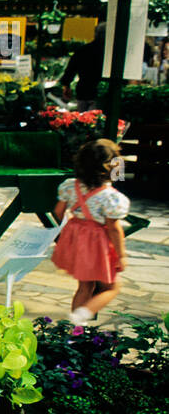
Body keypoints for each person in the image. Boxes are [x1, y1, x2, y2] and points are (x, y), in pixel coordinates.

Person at [50, 138, 129, 325]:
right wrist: (121, 255)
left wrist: (70, 231)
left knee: (85, 285)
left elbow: (58, 211)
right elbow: (113, 229)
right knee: (112, 287)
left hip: (76, 237)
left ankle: (76, 328)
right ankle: (82, 315)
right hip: (96, 243)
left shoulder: (70, 186)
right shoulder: (111, 198)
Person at [58, 24, 105, 112]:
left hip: (83, 91)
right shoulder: (109, 53)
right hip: (98, 93)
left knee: (82, 119)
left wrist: (66, 85)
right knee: (95, 120)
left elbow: (70, 69)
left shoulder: (83, 50)